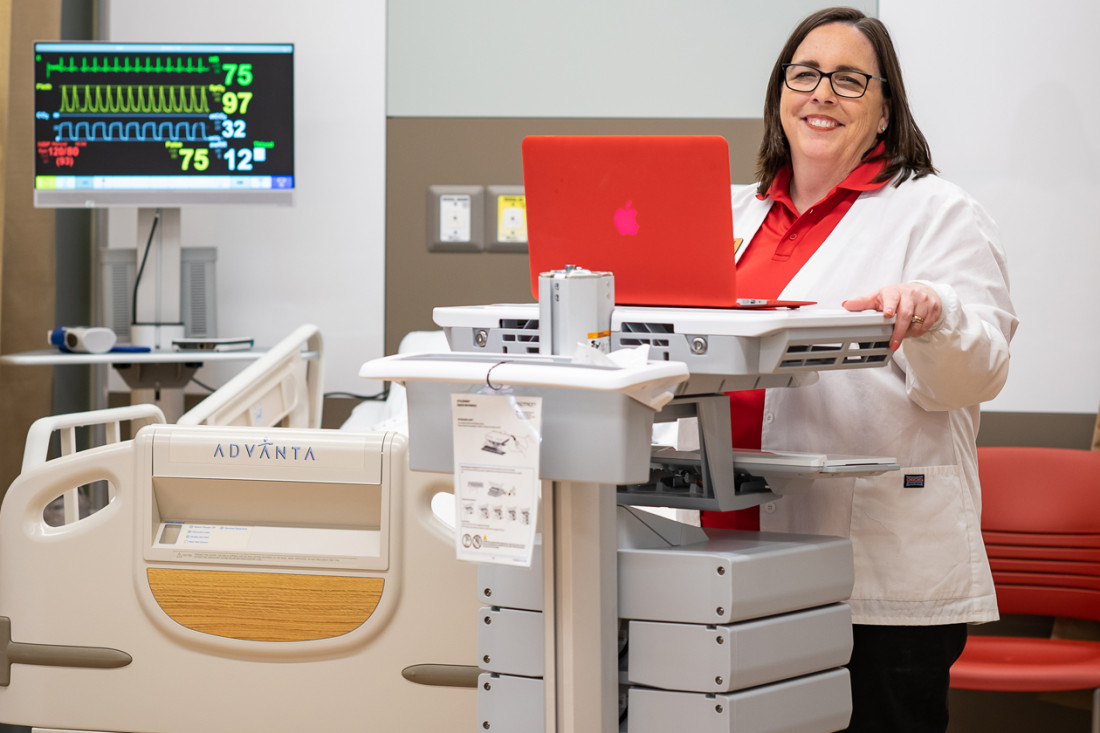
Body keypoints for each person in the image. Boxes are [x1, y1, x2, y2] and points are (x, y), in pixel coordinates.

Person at [701, 7, 1018, 732]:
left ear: (884, 112)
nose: (822, 93)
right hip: (723, 548)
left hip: (872, 571)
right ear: (781, 93)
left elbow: (980, 372)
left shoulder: (936, 214)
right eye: (805, 74)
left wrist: (935, 314)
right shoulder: (733, 217)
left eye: (849, 80)